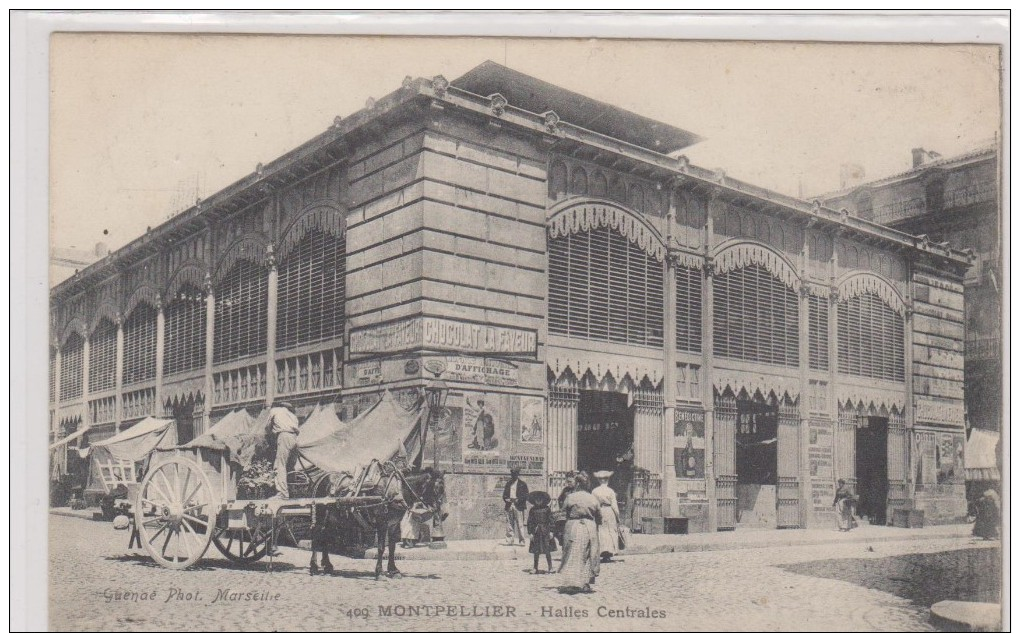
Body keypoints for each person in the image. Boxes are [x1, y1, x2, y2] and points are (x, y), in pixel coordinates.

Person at [558, 472, 601, 593]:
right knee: (588, 554)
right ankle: (585, 583)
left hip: (573, 526)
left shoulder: (571, 497)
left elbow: (563, 512)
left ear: (577, 484)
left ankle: (571, 582)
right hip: (589, 527)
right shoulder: (593, 498)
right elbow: (599, 516)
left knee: (572, 553)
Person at [269, 401, 300, 501]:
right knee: (290, 466)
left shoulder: (274, 410)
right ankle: (293, 491)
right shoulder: (292, 415)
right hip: (295, 438)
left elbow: (267, 427)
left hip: (284, 436)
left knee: (280, 465)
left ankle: (282, 494)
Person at [592, 470, 622, 561]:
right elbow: (614, 505)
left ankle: (601, 551)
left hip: (600, 510)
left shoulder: (595, 491)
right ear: (607, 480)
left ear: (598, 480)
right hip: (609, 511)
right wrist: (617, 516)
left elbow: (593, 503)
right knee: (610, 531)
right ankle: (608, 553)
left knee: (601, 531)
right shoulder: (610, 491)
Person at [526, 490, 556, 574]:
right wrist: (531, 533)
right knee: (536, 551)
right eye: (536, 499)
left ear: (543, 500)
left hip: (545, 531)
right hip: (536, 532)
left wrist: (551, 532)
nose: (538, 501)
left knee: (547, 549)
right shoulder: (532, 510)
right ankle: (535, 568)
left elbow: (551, 520)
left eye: (540, 499)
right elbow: (530, 522)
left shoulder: (547, 509)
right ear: (534, 500)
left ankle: (550, 567)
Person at [503, 467, 529, 546]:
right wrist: (506, 499)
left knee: (520, 524)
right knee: (509, 524)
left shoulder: (522, 484)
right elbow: (504, 495)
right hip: (509, 505)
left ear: (518, 474)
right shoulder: (508, 483)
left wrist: (519, 500)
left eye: (515, 474)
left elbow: (526, 495)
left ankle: (522, 541)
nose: (513, 476)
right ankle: (510, 540)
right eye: (512, 474)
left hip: (519, 506)